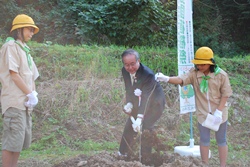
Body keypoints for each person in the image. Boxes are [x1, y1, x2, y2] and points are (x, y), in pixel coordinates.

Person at [155, 46, 232, 167]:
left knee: (221, 140)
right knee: (204, 140)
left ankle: (223, 165)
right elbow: (181, 80)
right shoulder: (194, 73)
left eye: (203, 64)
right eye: (198, 64)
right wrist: (167, 79)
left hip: (220, 113)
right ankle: (205, 164)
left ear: (210, 63)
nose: (200, 67)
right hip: (203, 113)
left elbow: (226, 94)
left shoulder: (221, 75)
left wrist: (219, 111)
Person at [0, 14, 40, 167]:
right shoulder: (10, 46)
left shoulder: (25, 50)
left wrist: (33, 94)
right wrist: (30, 94)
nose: (31, 33)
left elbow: (32, 76)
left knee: (18, 143)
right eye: (29, 29)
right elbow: (13, 74)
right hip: (14, 102)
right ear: (19, 29)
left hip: (24, 105)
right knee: (11, 142)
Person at [118, 49, 166, 163]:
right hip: (138, 101)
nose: (130, 68)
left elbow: (146, 98)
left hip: (155, 103)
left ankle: (146, 159)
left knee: (146, 127)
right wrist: (129, 103)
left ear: (138, 61)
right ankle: (122, 154)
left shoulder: (147, 75)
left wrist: (139, 118)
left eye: (132, 64)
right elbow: (129, 88)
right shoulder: (125, 72)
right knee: (130, 125)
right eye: (126, 65)